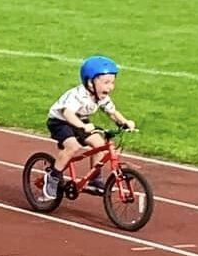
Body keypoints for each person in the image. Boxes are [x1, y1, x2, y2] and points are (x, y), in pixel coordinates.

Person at [44, 56, 136, 197]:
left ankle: (94, 179)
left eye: (112, 82)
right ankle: (53, 177)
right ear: (90, 83)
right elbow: (68, 113)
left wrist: (124, 122)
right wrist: (82, 126)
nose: (110, 87)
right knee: (73, 146)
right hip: (60, 121)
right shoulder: (78, 95)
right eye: (106, 82)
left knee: (99, 144)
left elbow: (111, 112)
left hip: (81, 120)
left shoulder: (102, 97)